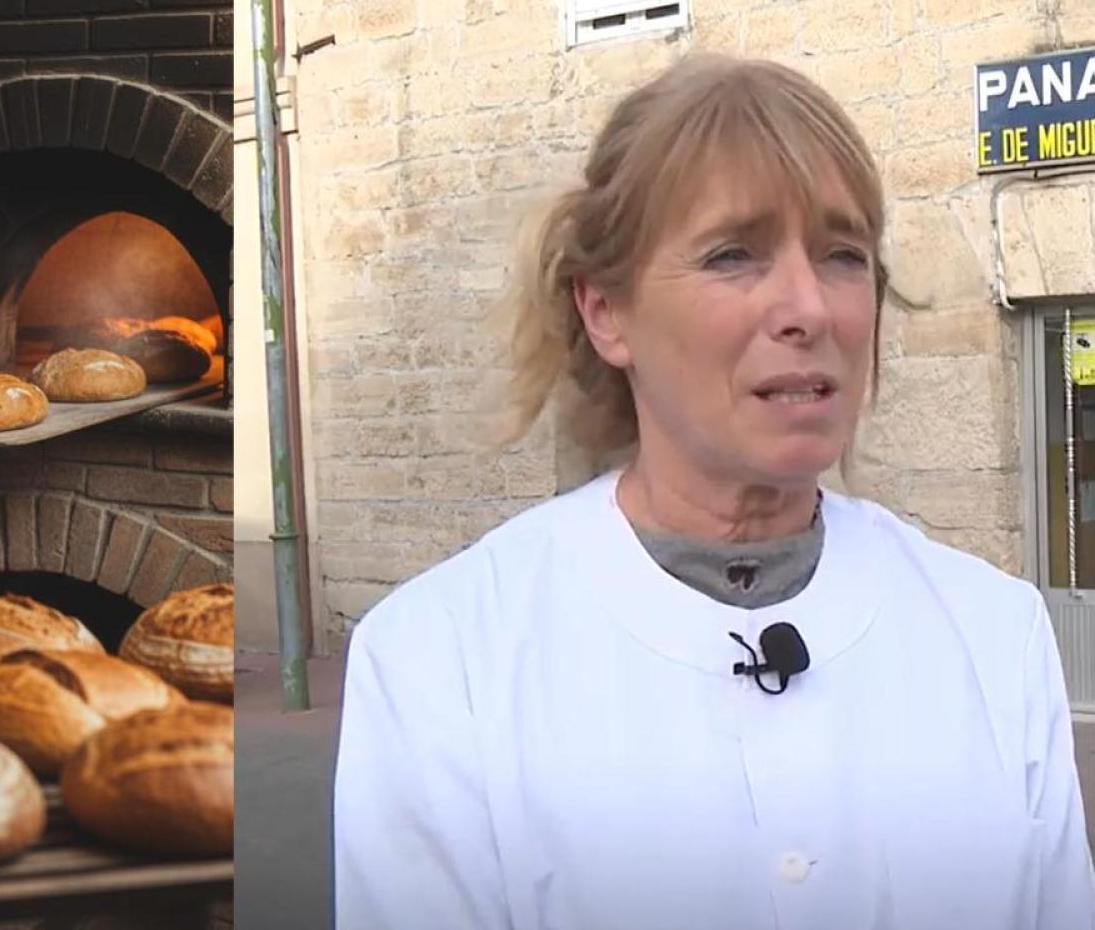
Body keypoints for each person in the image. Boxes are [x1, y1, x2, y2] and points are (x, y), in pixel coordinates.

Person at [332, 55, 1095, 929]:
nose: (809, 307)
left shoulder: (994, 636)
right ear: (604, 311)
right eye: (734, 255)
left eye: (843, 255)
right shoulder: (443, 663)